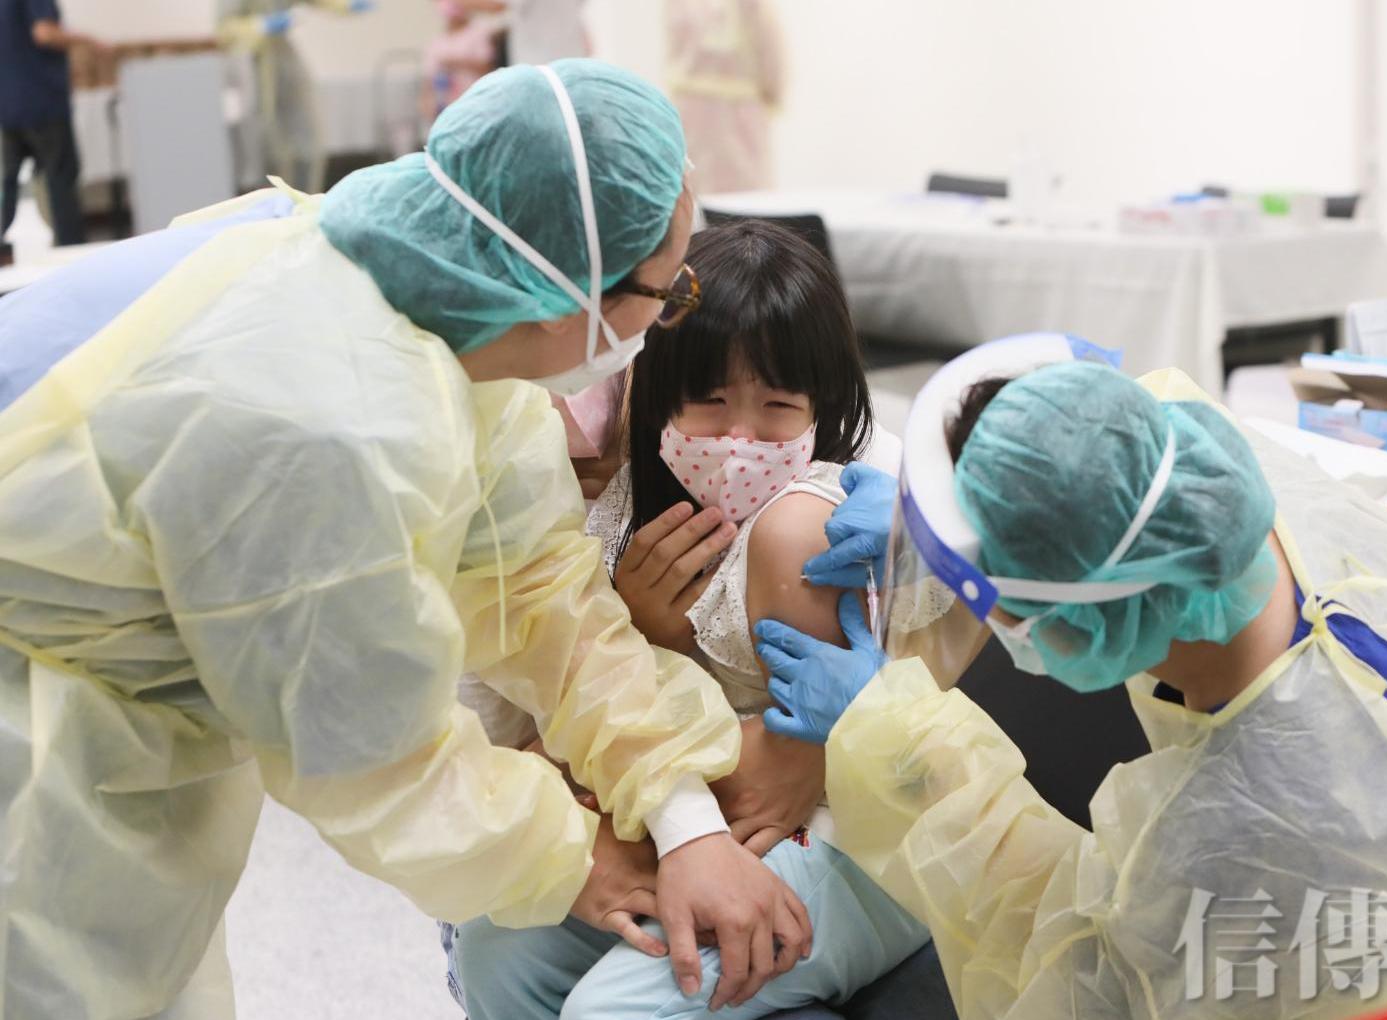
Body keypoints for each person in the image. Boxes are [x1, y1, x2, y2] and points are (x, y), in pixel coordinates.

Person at [0, 61, 811, 1019]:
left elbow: (541, 592)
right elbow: (372, 757)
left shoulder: (443, 312)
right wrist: (583, 858)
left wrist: (682, 818)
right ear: (571, 295)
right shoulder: (328, 425)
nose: (669, 314)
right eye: (668, 295)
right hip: (32, 739)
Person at [755, 341, 1387, 1018]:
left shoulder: (1240, 839)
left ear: (1080, 619)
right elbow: (1100, 452)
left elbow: (1073, 969)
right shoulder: (1225, 496)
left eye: (989, 594)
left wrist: (892, 736)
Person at [450, 220, 936, 1019]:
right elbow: (544, 713)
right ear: (650, 393)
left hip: (836, 834)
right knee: (493, 951)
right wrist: (646, 635)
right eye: (708, 404)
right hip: (705, 809)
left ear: (821, 403)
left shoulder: (809, 524)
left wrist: (774, 760)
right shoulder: (622, 507)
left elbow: (789, 775)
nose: (739, 442)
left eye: (778, 407)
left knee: (611, 1009)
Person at [218, 1, 373, 194]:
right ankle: (271, 201)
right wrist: (260, 26)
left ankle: (304, 201)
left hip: (281, 58)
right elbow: (223, 30)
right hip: (250, 62)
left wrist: (346, 4)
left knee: (305, 136)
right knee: (266, 143)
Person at [0, 0, 100, 262]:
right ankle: (73, 259)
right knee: (60, 182)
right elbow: (44, 33)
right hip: (42, 101)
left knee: (11, 186)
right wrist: (87, 40)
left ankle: (7, 258)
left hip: (8, 102)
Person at [664, 0, 783, 194]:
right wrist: (772, 95)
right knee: (743, 192)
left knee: (693, 188)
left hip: (691, 108)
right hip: (737, 111)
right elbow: (773, 54)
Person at [423, 0, 499, 119]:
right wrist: (428, 107)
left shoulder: (480, 31)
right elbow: (428, 84)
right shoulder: (436, 43)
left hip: (479, 107)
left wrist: (456, 63)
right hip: (448, 112)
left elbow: (489, 67)